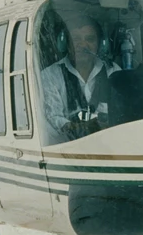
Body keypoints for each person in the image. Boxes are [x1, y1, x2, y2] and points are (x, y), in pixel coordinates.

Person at [40, 13, 120, 143]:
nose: (83, 45)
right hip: (69, 146)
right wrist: (79, 128)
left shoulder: (113, 71)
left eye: (90, 39)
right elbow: (53, 117)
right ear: (64, 43)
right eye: (75, 39)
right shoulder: (50, 75)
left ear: (101, 44)